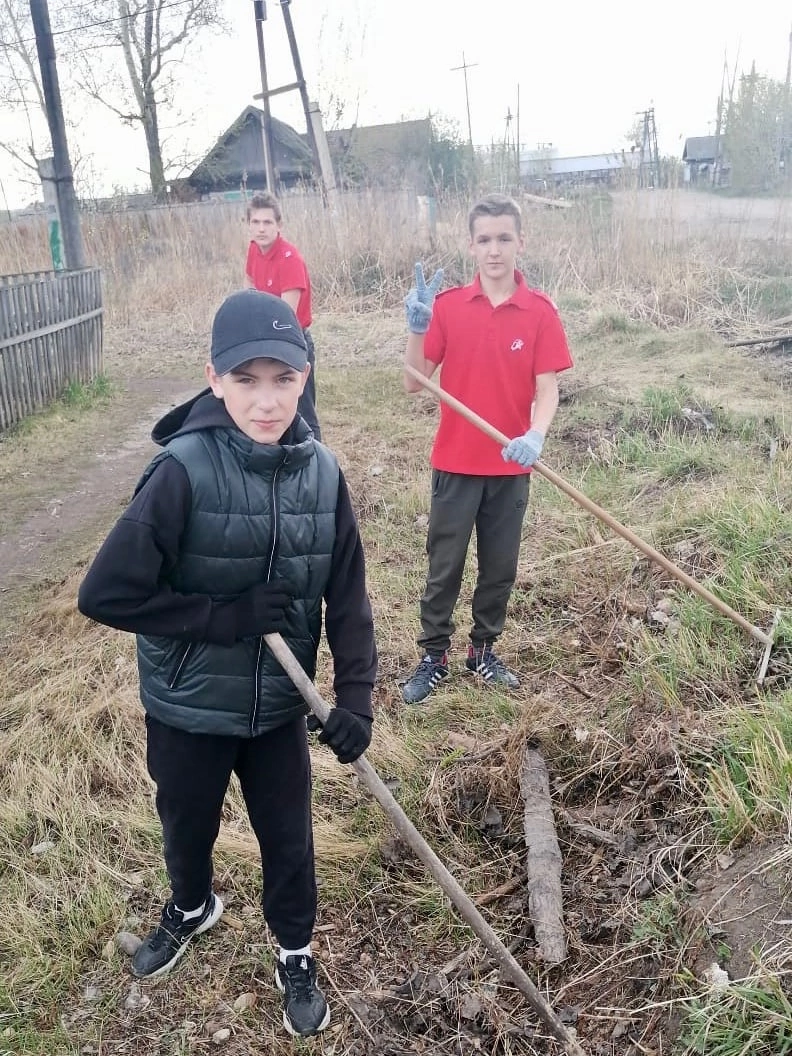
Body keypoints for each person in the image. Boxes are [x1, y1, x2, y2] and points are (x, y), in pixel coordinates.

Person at [78, 289, 377, 1038]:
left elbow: (348, 597)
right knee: (186, 823)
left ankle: (296, 950)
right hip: (186, 703)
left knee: (288, 837)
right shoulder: (181, 471)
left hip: (280, 705)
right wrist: (222, 618)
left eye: (284, 379)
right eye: (247, 380)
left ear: (305, 377)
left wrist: (358, 700)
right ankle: (190, 907)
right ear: (214, 379)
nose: (267, 401)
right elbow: (106, 593)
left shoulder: (324, 475)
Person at [401, 193, 573, 705]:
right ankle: (433, 655)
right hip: (455, 464)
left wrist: (536, 434)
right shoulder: (449, 307)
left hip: (509, 465)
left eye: (503, 238)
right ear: (471, 246)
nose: (494, 249)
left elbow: (548, 388)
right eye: (484, 240)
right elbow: (415, 382)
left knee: (500, 565)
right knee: (444, 564)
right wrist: (416, 329)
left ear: (521, 242)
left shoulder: (540, 312)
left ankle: (483, 651)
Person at [244, 192, 321, 439]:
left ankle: (317, 465)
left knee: (303, 411)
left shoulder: (290, 259)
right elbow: (249, 285)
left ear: (279, 225)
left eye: (267, 222)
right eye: (255, 222)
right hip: (264, 339)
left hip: (292, 341)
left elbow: (285, 316)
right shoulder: (254, 249)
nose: (261, 228)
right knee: (269, 409)